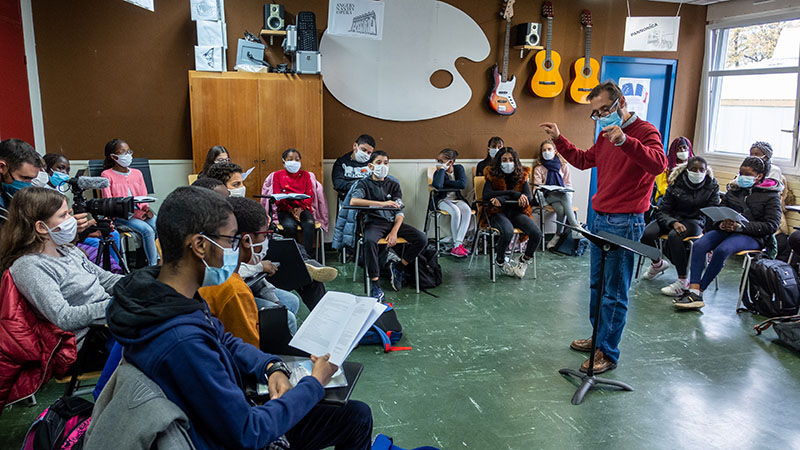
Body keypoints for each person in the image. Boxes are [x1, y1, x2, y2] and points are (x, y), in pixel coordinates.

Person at [106, 186, 373, 450]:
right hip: (223, 438)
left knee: (354, 415)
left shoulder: (166, 296)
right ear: (200, 245)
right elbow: (249, 432)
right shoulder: (182, 341)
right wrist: (314, 384)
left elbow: (224, 339)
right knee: (356, 416)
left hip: (215, 422)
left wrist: (271, 367)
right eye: (232, 240)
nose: (237, 249)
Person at [540, 80, 667, 373]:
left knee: (615, 290)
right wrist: (559, 139)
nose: (601, 117)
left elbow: (658, 164)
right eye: (595, 113)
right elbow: (584, 161)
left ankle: (607, 352)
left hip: (625, 221)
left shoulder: (645, 132)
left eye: (605, 109)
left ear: (621, 102)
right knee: (597, 286)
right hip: (599, 217)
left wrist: (626, 141)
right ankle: (599, 338)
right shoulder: (605, 135)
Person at [0, 187, 122, 347]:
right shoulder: (30, 266)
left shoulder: (67, 249)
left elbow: (106, 280)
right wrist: (117, 306)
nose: (71, 219)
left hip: (107, 323)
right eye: (63, 215)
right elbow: (64, 317)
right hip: (87, 340)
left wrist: (144, 283)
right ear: (41, 227)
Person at [675, 156, 782, 310]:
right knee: (699, 245)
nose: (742, 177)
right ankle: (693, 290)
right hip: (726, 230)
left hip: (752, 236)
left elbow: (771, 225)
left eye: (747, 174)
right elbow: (719, 211)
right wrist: (720, 223)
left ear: (759, 176)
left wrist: (740, 227)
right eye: (740, 173)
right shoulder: (734, 190)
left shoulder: (771, 196)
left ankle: (699, 292)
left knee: (722, 250)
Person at [199, 197, 299, 343]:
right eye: (265, 235)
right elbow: (248, 346)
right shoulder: (234, 289)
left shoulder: (215, 268)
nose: (266, 241)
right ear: (247, 241)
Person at [350, 151, 427, 300]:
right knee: (370, 241)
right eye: (379, 163)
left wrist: (394, 232)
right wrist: (382, 204)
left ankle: (398, 267)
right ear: (371, 166)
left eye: (386, 163)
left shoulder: (393, 184)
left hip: (392, 223)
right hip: (373, 223)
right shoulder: (364, 183)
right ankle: (375, 284)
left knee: (421, 238)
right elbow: (354, 201)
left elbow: (399, 211)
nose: (383, 166)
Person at [641, 157, 720, 296]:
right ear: (687, 170)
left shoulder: (711, 185)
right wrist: (673, 222)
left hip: (694, 220)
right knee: (647, 234)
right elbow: (663, 210)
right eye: (694, 169)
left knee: (674, 236)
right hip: (672, 217)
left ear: (706, 170)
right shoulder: (676, 182)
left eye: (702, 169)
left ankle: (683, 281)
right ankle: (658, 263)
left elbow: (712, 212)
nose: (698, 172)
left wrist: (711, 237)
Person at [482, 147, 541, 278]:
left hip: (516, 212)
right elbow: (486, 195)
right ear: (498, 161)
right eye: (504, 160)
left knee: (536, 233)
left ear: (515, 161)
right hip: (497, 213)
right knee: (507, 231)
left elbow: (527, 197)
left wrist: (501, 198)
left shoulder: (522, 175)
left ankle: (524, 260)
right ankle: (500, 260)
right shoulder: (491, 174)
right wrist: (512, 194)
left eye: (510, 159)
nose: (507, 162)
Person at [101, 139, 159, 266]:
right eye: (122, 152)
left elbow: (143, 195)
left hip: (139, 210)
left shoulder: (137, 173)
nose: (127, 155)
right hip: (121, 215)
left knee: (160, 225)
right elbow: (109, 202)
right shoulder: (106, 175)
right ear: (113, 156)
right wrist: (135, 214)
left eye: (128, 151)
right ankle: (153, 265)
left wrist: (146, 209)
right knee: (147, 231)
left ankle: (163, 260)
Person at [532, 138, 580, 249]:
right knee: (564, 196)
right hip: (547, 197)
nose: (547, 152)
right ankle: (575, 226)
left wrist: (566, 193)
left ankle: (557, 235)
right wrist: (543, 200)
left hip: (562, 198)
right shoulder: (539, 168)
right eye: (544, 150)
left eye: (549, 149)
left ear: (555, 151)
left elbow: (568, 184)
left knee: (561, 209)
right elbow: (537, 188)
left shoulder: (564, 166)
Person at [270, 149, 317, 256]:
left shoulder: (305, 175)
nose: (294, 162)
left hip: (302, 208)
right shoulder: (277, 175)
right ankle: (294, 254)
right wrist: (290, 209)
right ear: (284, 162)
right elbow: (277, 196)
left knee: (309, 225)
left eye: (297, 160)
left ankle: (307, 256)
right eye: (290, 159)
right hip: (285, 209)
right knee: (289, 226)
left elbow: (310, 195)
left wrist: (300, 209)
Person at [432, 148, 472, 257]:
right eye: (438, 161)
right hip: (443, 200)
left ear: (450, 162)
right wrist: (441, 170)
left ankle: (458, 244)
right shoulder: (438, 172)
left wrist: (447, 183)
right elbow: (438, 186)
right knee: (456, 212)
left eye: (441, 161)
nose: (438, 163)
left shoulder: (459, 169)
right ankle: (456, 246)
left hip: (457, 199)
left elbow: (462, 185)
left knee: (467, 210)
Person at [0, 139, 43, 224]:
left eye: (31, 179)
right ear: (2, 167)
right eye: (24, 177)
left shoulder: (8, 193)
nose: (28, 183)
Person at [653, 137, 693, 204]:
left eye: (684, 148)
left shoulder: (693, 166)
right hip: (667, 197)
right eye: (679, 148)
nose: (682, 150)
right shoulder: (665, 166)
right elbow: (662, 189)